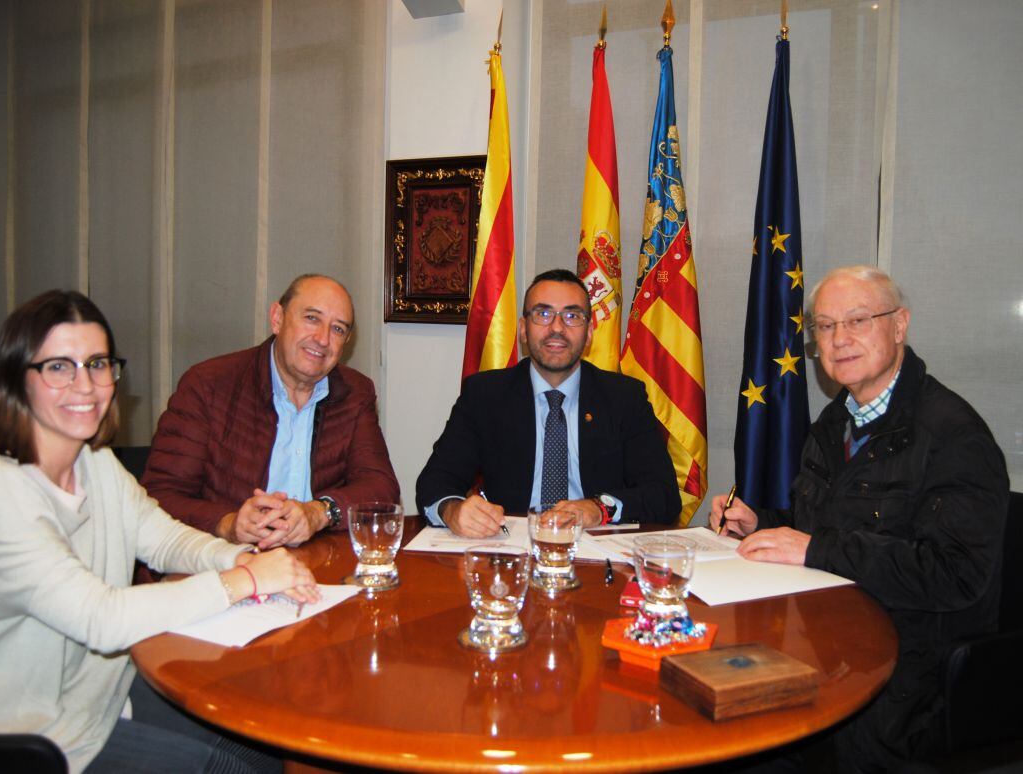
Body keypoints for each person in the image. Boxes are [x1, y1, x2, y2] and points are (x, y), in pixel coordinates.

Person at [0, 290, 321, 773]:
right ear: (19, 380)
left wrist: (240, 558)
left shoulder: (92, 460)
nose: (85, 385)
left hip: (102, 697)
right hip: (25, 741)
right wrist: (245, 582)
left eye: (97, 364)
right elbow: (102, 617)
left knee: (271, 749)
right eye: (59, 366)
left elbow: (161, 537)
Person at [709, 265, 1008, 772]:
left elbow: (955, 574)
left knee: (744, 747)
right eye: (824, 326)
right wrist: (760, 523)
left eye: (857, 320)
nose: (838, 339)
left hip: (909, 679)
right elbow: (825, 521)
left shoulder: (955, 436)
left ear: (900, 325)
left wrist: (812, 548)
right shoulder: (838, 419)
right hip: (825, 643)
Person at [416, 268, 681, 537]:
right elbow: (435, 482)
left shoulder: (624, 397)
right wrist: (452, 510)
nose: (557, 328)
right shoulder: (485, 394)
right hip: (511, 550)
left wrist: (598, 509)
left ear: (589, 332)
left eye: (572, 316)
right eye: (543, 314)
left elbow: (664, 496)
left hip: (595, 552)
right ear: (523, 329)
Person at [142, 274, 398, 550]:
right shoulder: (208, 385)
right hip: (223, 561)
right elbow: (159, 497)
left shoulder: (354, 392)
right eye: (312, 318)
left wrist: (319, 513)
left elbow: (381, 487)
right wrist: (228, 523)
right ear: (277, 318)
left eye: (337, 329)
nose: (322, 339)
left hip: (314, 564)